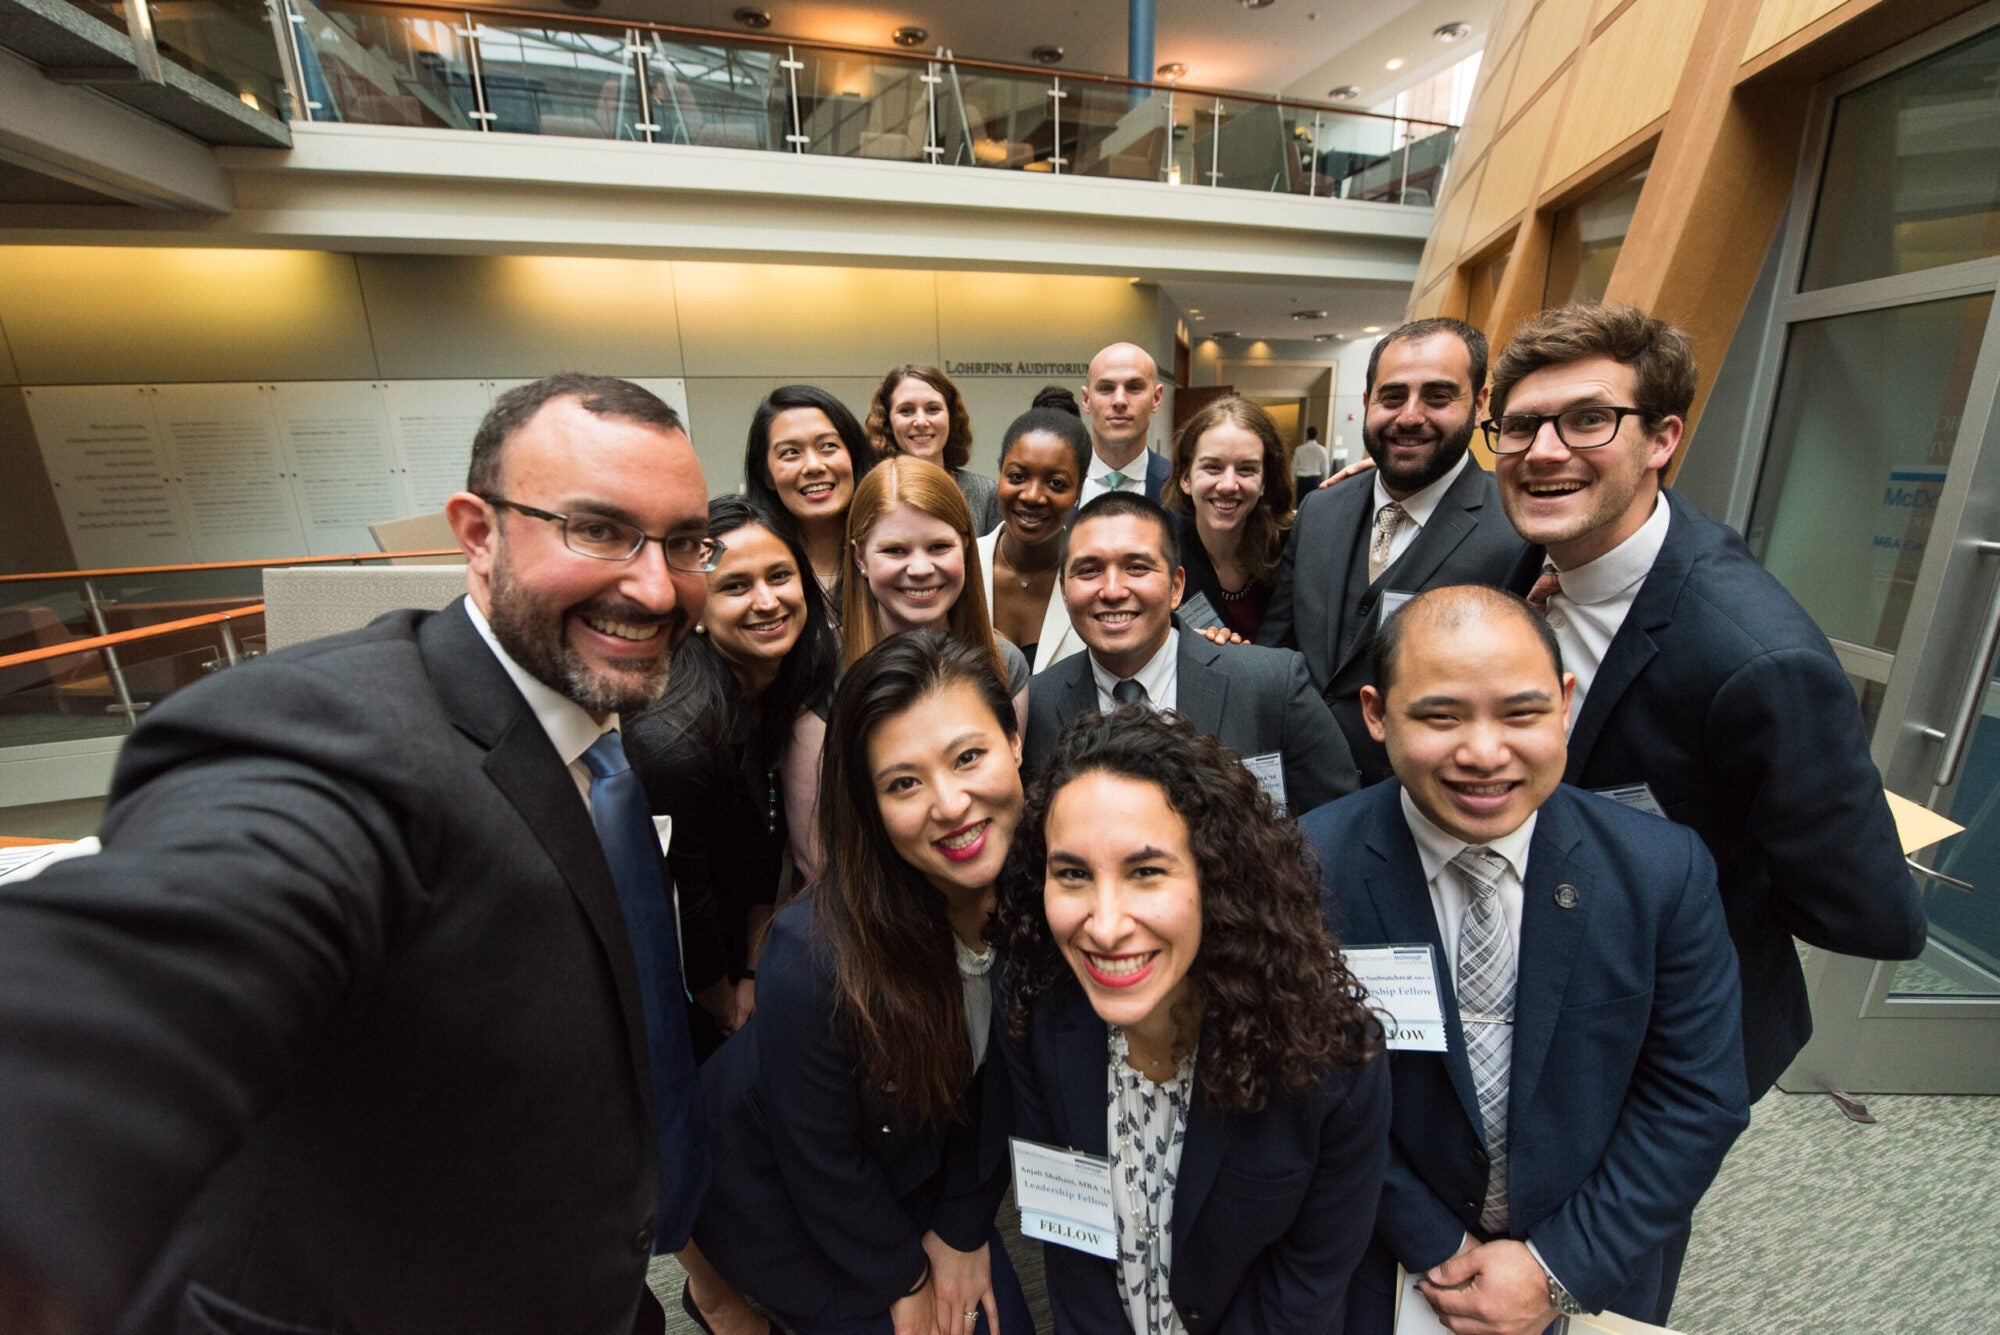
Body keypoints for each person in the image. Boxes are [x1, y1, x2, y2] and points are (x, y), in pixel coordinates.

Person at [0, 374, 716, 1333]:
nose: (656, 585)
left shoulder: (591, 724)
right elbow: (146, 976)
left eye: (683, 542)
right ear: (477, 534)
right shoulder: (329, 730)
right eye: (596, 529)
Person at [1485, 302, 1926, 1103]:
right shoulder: (1526, 561)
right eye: (1520, 427)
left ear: (1662, 439)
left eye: (1589, 419)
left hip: (1666, 1037)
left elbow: (1870, 911)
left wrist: (1694, 875)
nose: (1544, 451)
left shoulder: (1758, 659)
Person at [1304, 584, 1749, 1333]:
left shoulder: (1663, 872)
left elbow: (1696, 1096)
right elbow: (1307, 1088)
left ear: (1566, 703)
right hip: (1384, 1260)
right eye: (1441, 716)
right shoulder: (1308, 869)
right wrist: (1435, 1242)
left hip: (1597, 1262)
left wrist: (1555, 1267)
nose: (1485, 753)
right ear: (1377, 713)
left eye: (1522, 713)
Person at [994, 707, 1389, 1332]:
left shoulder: (1330, 1055)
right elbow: (1070, 1242)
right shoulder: (1036, 1012)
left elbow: (1307, 1283)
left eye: (1145, 872)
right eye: (1072, 874)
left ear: (1216, 877)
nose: (1104, 924)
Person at [686, 630, 1034, 1335]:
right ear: (870, 803)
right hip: (788, 1194)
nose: (950, 802)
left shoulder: (1055, 891)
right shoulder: (812, 953)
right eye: (904, 782)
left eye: (970, 755)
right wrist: (900, 1278)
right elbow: (819, 1158)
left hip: (925, 1162)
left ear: (1016, 742)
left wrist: (963, 1228)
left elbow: (1007, 1085)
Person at [1260, 317, 1526, 785]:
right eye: (1393, 396)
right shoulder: (1321, 509)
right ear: (1367, 404)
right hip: (1300, 789)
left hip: (1423, 797)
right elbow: (1278, 647)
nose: (1409, 416)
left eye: (1438, 397)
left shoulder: (1514, 531)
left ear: (1480, 403)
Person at [628, 495, 839, 1059]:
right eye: (736, 586)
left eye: (779, 576)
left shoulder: (793, 679)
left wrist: (751, 969)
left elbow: (763, 847)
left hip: (739, 952)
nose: (767, 602)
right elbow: (683, 900)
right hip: (680, 987)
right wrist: (723, 998)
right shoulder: (675, 741)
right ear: (696, 606)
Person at [1023, 492, 1359, 813]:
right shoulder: (1035, 704)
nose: (1112, 590)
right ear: (1065, 592)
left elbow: (1339, 823)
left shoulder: (1271, 685)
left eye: (1137, 567)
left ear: (1176, 587)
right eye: (1089, 571)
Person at [843, 455, 1032, 724]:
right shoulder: (823, 669)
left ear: (966, 545)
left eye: (939, 547)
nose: (921, 569)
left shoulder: (1003, 662)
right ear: (860, 557)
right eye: (895, 550)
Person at [1164, 395, 1296, 644]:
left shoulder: (1294, 550)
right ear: (1185, 478)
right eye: (1213, 467)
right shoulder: (1162, 555)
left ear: (1265, 481)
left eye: (1246, 469)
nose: (1228, 485)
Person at [744, 383, 879, 610]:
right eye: (790, 453)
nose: (814, 466)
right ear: (766, 475)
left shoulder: (895, 554)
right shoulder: (747, 571)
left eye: (828, 446)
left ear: (853, 457)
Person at [978, 406, 1092, 674]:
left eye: (1056, 483)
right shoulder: (958, 567)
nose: (1032, 496)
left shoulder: (1096, 580)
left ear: (1079, 488)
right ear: (1000, 473)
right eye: (1017, 477)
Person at [867, 363, 1002, 535]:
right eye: (906, 411)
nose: (921, 422)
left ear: (951, 417)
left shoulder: (984, 493)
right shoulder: (870, 492)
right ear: (887, 422)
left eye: (933, 409)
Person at [1079, 342, 1172, 502]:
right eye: (1106, 388)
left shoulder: (1179, 486)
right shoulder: (1057, 481)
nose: (1119, 400)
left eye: (1134, 387)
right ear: (1087, 400)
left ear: (1156, 398)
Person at [1294, 425, 1329, 498]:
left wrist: (1293, 480)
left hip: (1302, 479)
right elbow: (1325, 467)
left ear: (1307, 435)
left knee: (1301, 501)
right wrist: (1325, 480)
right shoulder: (1322, 450)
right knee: (1313, 500)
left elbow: (1294, 465)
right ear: (1317, 435)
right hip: (1314, 479)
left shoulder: (1299, 449)